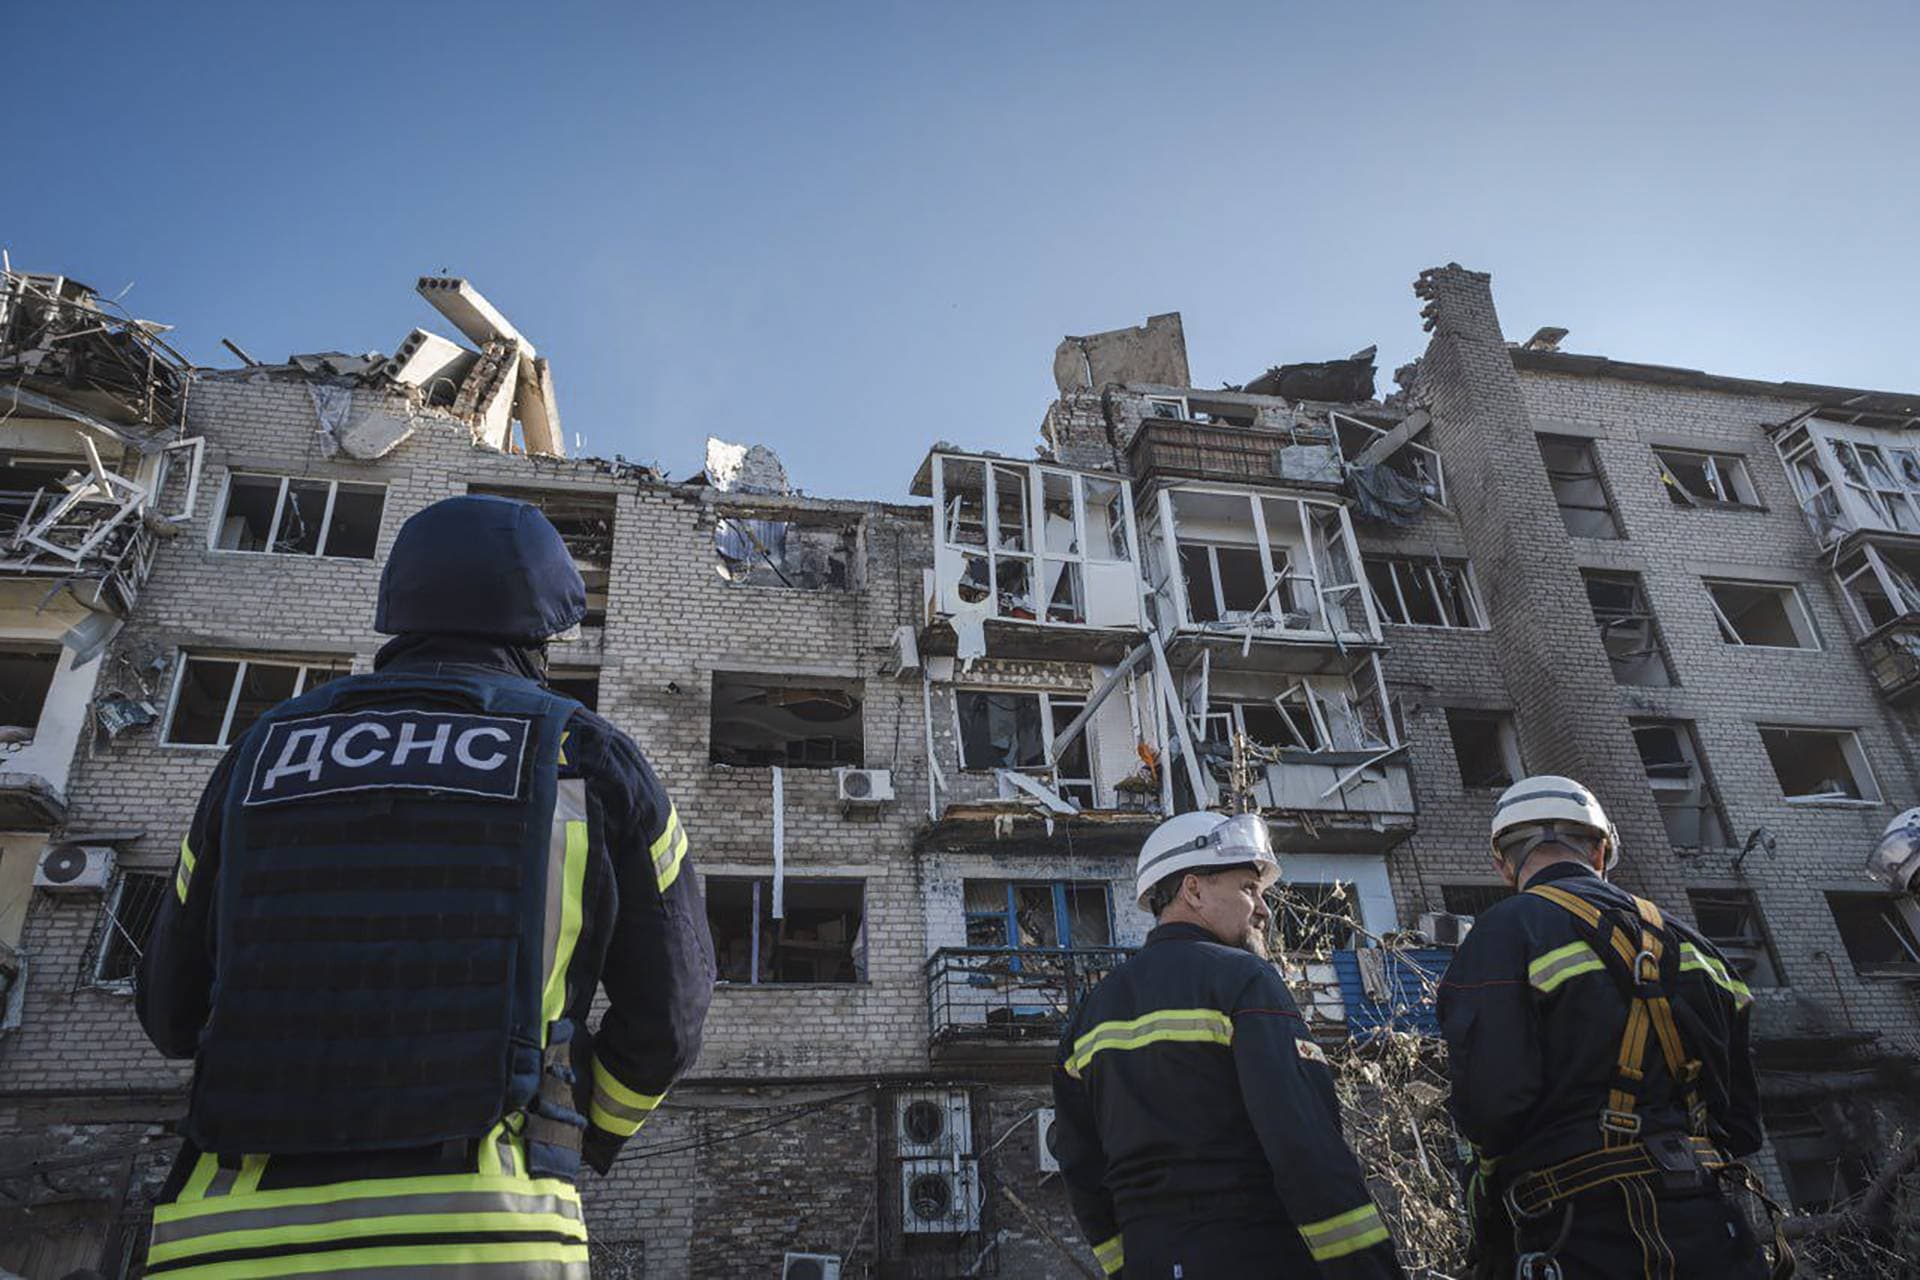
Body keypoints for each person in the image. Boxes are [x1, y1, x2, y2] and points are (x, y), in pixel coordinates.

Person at [137, 495, 715, 1279]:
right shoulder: (586, 754)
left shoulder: (259, 754)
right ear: (541, 632)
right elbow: (671, 1015)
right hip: (487, 1234)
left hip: (221, 1239)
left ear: (399, 608)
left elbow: (170, 1014)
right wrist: (582, 1127)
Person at [1436, 775, 1781, 1280]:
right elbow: (1743, 1124)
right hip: (1713, 1227)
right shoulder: (1696, 946)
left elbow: (1491, 1107)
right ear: (1601, 851)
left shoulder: (1504, 933)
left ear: (1502, 864)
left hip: (1584, 1233)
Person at [1050, 810, 1405, 1279]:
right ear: (1193, 889)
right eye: (1248, 889)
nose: (1264, 909)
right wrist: (1366, 1268)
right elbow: (1303, 1143)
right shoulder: (1243, 979)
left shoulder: (1090, 1010)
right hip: (1254, 1253)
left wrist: (1124, 1266)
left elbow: (1079, 1163)